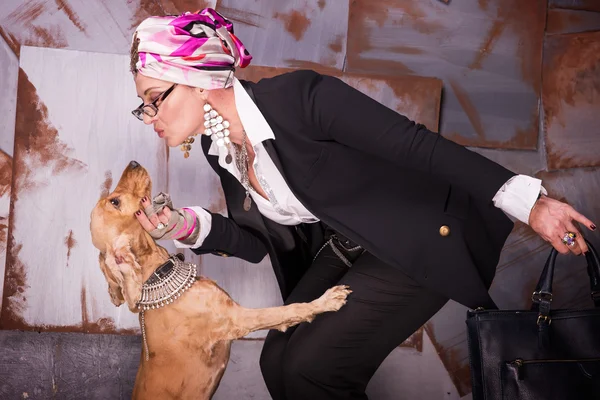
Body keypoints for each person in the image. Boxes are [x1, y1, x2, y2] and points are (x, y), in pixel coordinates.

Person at [129, 8, 596, 400]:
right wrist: (184, 225)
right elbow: (256, 244)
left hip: (415, 236)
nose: (149, 116)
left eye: (154, 99)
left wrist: (529, 204)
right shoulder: (218, 148)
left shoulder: (300, 98)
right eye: (143, 106)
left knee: (310, 368)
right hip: (349, 250)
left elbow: (418, 146)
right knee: (277, 360)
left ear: (196, 79)